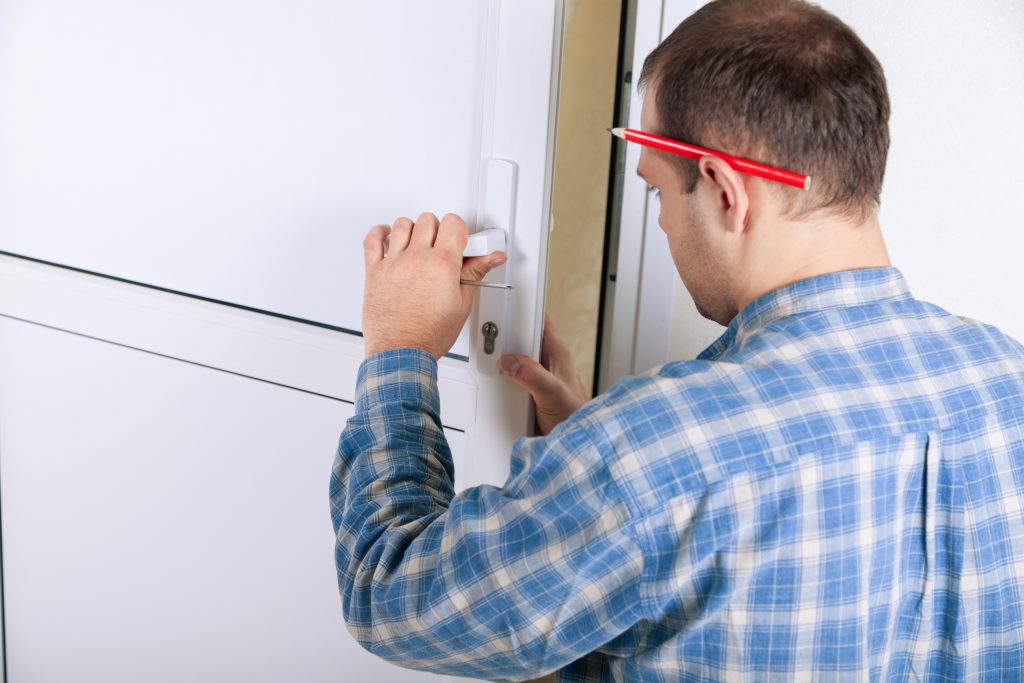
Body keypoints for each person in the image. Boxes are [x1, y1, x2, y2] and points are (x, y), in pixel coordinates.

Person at [330, 0, 1024, 679]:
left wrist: (400, 347)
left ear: (724, 190)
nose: (660, 223)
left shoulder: (650, 456)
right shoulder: (1007, 382)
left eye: (658, 192)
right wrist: (591, 445)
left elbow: (391, 595)